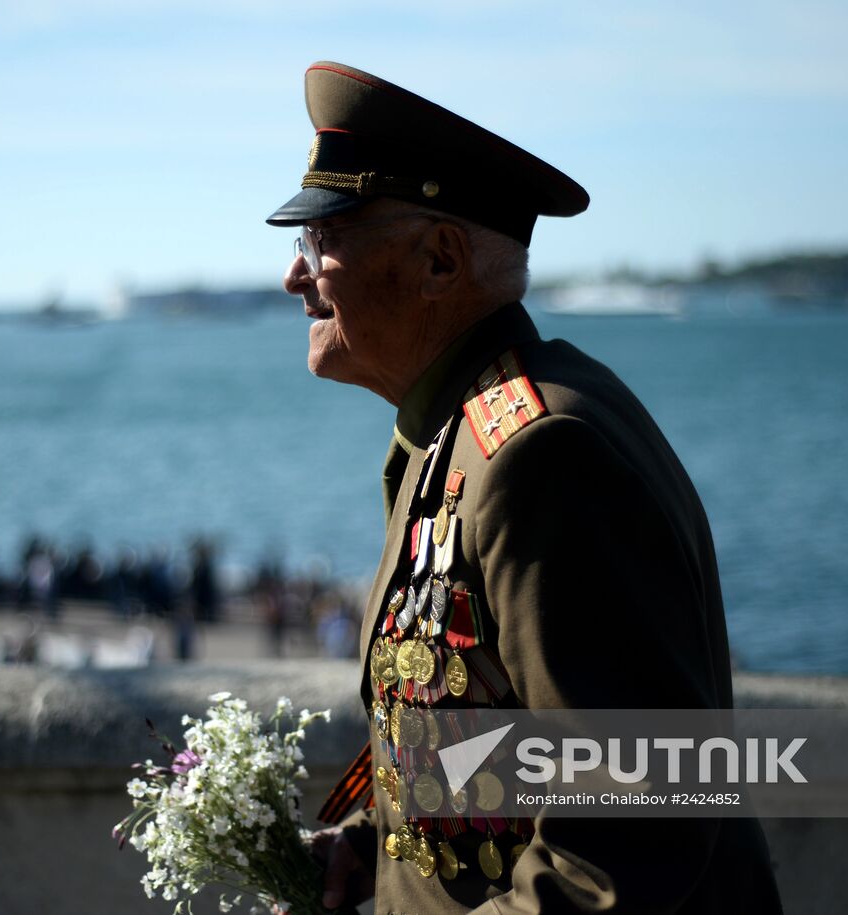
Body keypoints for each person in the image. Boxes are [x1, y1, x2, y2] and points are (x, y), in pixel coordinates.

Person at [268, 62, 782, 913]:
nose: (296, 275)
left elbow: (629, 838)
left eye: (323, 241)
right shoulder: (462, 428)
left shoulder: (541, 458)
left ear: (440, 259)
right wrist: (370, 845)